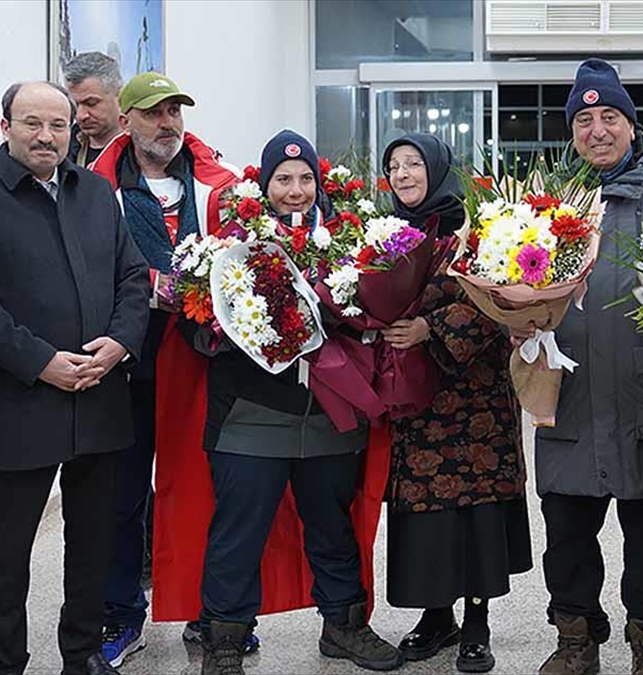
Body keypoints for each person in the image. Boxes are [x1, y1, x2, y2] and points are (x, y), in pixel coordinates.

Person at [0, 80, 151, 675]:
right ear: (5, 126)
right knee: (7, 552)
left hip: (99, 397)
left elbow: (133, 279)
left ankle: (80, 653)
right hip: (21, 401)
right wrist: (43, 363)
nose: (46, 136)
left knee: (92, 545)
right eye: (32, 123)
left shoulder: (97, 193)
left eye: (58, 125)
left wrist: (119, 343)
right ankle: (5, 661)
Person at [195, 129, 402, 675]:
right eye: (283, 179)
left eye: (305, 178)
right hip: (249, 418)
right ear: (263, 186)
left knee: (333, 525)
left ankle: (345, 626)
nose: (295, 190)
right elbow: (202, 328)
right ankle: (224, 641)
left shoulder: (348, 241)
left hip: (331, 415)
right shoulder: (232, 247)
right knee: (239, 533)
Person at [88, 71, 255, 668]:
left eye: (175, 113)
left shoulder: (220, 184)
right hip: (127, 362)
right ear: (126, 120)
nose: (168, 125)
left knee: (205, 490)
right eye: (154, 114)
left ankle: (211, 611)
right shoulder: (94, 187)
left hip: (204, 359)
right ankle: (120, 615)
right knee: (122, 497)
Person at [534, 59, 643, 675]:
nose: (597, 130)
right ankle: (576, 640)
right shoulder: (549, 198)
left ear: (631, 123)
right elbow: (514, 276)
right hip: (572, 395)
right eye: (584, 120)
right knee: (568, 533)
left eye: (609, 117)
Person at [379, 133, 531, 673]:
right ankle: (436, 615)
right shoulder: (385, 235)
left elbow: (501, 298)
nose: (403, 175)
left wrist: (429, 328)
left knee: (474, 512)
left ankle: (477, 622)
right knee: (425, 511)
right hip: (415, 402)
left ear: (437, 168)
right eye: (393, 166)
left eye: (413, 164)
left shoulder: (477, 229)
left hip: (474, 400)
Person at [64, 52, 123, 167]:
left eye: (91, 103)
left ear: (119, 95)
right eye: (75, 105)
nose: (80, 116)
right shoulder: (62, 150)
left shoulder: (145, 149)